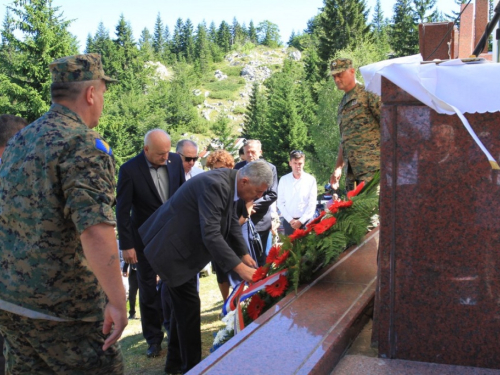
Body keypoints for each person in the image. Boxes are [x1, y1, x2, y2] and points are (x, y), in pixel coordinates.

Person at [0, 53, 126, 374]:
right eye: (103, 93)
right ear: (90, 93)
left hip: (12, 302)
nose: (102, 101)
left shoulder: (21, 139)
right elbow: (95, 230)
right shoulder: (83, 144)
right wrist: (117, 300)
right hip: (65, 312)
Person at [139, 160, 273, 374]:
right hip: (171, 250)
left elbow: (229, 222)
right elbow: (211, 234)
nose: (257, 198)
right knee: (189, 310)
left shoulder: (231, 182)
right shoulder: (216, 184)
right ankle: (194, 368)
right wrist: (240, 268)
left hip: (179, 250)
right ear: (245, 180)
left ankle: (175, 365)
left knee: (183, 311)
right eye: (257, 192)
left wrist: (244, 254)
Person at [116, 129, 185, 358]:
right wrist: (127, 246)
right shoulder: (129, 170)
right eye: (159, 155)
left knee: (176, 285)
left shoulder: (174, 160)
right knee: (147, 290)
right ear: (146, 150)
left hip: (173, 237)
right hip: (144, 240)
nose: (166, 158)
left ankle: (175, 330)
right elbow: (123, 211)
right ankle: (154, 339)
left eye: (167, 152)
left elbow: (182, 196)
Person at [329, 58, 381, 191]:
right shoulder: (342, 104)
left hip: (372, 170)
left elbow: (389, 124)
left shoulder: (368, 94)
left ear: (352, 71)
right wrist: (338, 167)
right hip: (352, 174)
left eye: (340, 74)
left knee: (373, 210)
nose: (336, 79)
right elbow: (344, 139)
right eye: (334, 76)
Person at [234, 140, 278, 266]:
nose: (250, 154)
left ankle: (263, 284)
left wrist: (252, 205)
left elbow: (272, 194)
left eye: (253, 151)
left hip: (261, 220)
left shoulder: (270, 168)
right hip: (242, 219)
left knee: (263, 257)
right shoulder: (238, 168)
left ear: (260, 152)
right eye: (247, 152)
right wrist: (244, 209)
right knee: (246, 258)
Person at [277, 150, 318, 235]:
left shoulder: (310, 180)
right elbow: (280, 202)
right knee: (290, 248)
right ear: (290, 163)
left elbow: (312, 204)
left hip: (306, 222)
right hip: (289, 223)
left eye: (300, 163)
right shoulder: (284, 180)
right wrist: (291, 220)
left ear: (304, 163)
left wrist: (301, 221)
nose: (297, 166)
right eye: (295, 163)